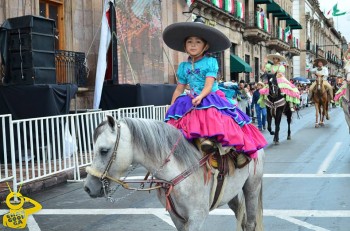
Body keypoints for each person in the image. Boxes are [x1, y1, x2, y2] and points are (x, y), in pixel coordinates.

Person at [163, 21, 267, 167]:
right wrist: (172, 105)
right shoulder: (183, 66)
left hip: (210, 97)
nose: (193, 45)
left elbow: (209, 85)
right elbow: (179, 89)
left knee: (218, 121)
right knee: (175, 124)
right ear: (185, 46)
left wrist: (200, 96)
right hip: (191, 98)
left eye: (197, 42)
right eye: (189, 42)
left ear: (205, 46)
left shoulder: (210, 62)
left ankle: (233, 152)